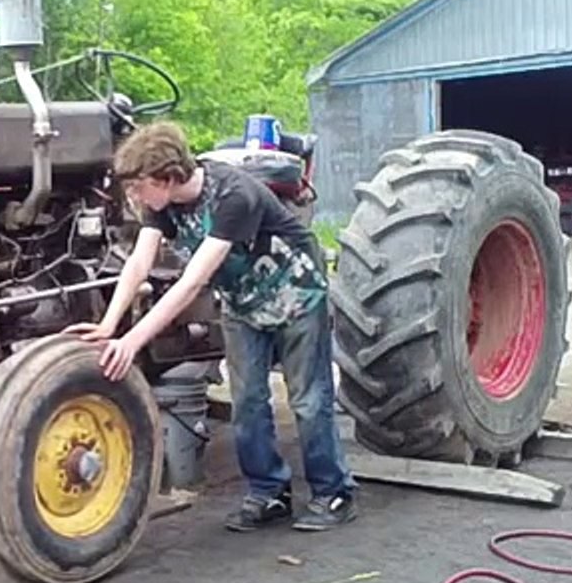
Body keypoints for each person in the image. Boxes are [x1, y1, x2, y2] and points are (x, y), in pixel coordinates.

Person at [64, 121, 357, 532]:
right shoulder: (161, 206)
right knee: (248, 401)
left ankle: (334, 492)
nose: (133, 197)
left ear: (168, 178)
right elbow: (139, 262)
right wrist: (109, 325)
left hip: (295, 296)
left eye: (138, 187)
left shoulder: (234, 195)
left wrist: (133, 340)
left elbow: (192, 282)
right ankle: (268, 492)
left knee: (308, 400)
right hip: (243, 303)